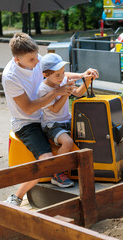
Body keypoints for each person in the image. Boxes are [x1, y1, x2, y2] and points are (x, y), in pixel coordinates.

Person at [2, 33, 98, 206]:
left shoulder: (35, 58)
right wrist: (57, 92)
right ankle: (17, 196)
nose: (37, 62)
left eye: (37, 56)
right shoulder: (11, 77)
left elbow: (56, 74)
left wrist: (82, 75)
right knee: (46, 158)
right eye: (32, 60)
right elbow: (29, 108)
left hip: (48, 116)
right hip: (27, 122)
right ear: (18, 60)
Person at [37, 53, 96, 188]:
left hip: (67, 120)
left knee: (88, 132)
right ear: (46, 74)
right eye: (57, 75)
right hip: (52, 125)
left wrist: (87, 80)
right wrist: (65, 93)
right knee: (68, 141)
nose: (61, 77)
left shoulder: (62, 80)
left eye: (63, 73)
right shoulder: (43, 89)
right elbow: (55, 109)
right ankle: (57, 173)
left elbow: (79, 93)